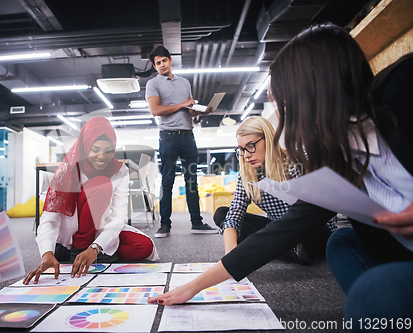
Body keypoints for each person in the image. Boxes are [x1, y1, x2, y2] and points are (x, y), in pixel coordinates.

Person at [148, 24, 413, 331]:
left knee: (373, 292)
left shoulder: (401, 90)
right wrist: (194, 286)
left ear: (313, 89)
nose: (283, 113)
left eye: (283, 101)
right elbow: (288, 226)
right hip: (392, 248)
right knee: (343, 242)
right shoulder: (337, 153)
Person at [23, 117, 158, 285]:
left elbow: (118, 217)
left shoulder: (121, 170)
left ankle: (81, 253)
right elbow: (50, 218)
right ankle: (78, 250)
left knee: (145, 246)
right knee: (101, 185)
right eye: (95, 149)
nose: (102, 156)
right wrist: (47, 253)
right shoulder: (68, 169)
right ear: (86, 147)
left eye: (108, 150)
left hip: (99, 227)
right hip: (73, 231)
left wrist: (96, 247)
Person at [213, 116, 336, 264]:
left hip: (311, 229)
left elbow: (317, 212)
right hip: (279, 232)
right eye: (241, 149)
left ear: (269, 140)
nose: (246, 155)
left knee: (309, 224)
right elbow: (235, 212)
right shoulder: (248, 174)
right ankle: (289, 252)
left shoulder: (295, 163)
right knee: (222, 213)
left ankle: (281, 251)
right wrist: (231, 251)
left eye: (251, 146)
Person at [145, 45, 218, 237]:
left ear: (170, 60)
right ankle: (165, 225)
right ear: (155, 66)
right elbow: (156, 110)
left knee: (192, 181)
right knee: (167, 181)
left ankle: (197, 223)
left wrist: (200, 110)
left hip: (188, 136)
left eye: (163, 61)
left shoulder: (184, 82)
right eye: (157, 63)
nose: (161, 65)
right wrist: (183, 104)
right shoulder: (153, 84)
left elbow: (188, 111)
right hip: (167, 137)